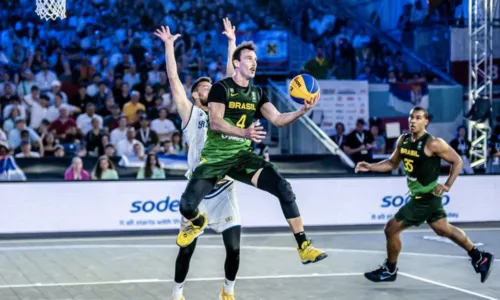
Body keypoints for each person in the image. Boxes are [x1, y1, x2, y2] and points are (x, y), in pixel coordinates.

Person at [171, 30, 326, 270]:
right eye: (249, 59)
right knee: (186, 206)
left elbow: (278, 119)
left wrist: (301, 111)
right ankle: (197, 221)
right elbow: (215, 122)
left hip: (241, 158)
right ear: (236, 63)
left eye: (256, 59)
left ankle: (304, 246)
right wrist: (244, 132)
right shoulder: (220, 88)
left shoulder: (258, 93)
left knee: (284, 188)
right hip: (214, 159)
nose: (255, 63)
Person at [355, 107, 494, 283]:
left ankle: (390, 270)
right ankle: (479, 256)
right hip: (425, 197)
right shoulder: (403, 140)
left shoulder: (433, 143)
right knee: (444, 229)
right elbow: (391, 163)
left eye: (418, 118)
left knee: (390, 229)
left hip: (425, 198)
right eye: (411, 117)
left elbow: (457, 161)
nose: (413, 121)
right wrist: (370, 166)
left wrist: (448, 185)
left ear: (426, 121)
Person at [155, 18, 241, 300]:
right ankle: (177, 292)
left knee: (234, 247)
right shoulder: (192, 115)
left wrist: (231, 42)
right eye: (205, 87)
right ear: (196, 94)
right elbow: (173, 79)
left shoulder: (223, 110)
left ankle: (227, 291)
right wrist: (169, 47)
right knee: (186, 250)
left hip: (225, 188)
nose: (211, 88)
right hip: (199, 190)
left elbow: (232, 74)